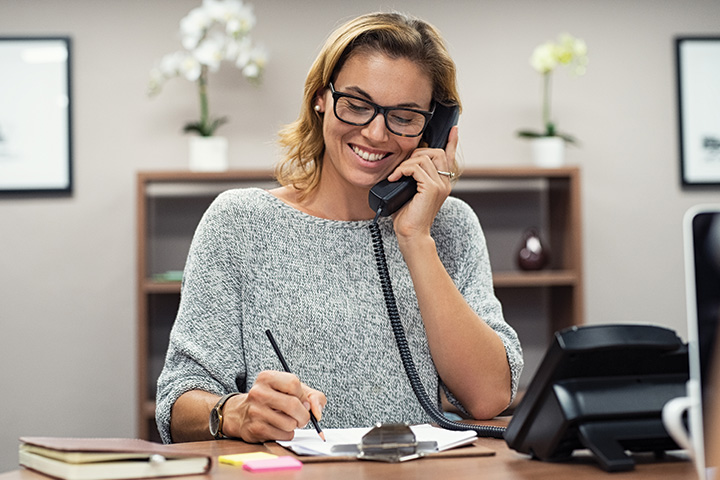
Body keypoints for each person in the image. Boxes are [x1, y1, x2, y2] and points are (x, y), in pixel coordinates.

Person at [156, 11, 523, 444]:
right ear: (321, 98)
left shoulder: (449, 226)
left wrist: (415, 238)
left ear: (435, 127)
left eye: (404, 116)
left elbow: (488, 398)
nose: (375, 132)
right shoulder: (239, 222)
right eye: (356, 104)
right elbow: (177, 402)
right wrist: (233, 412)